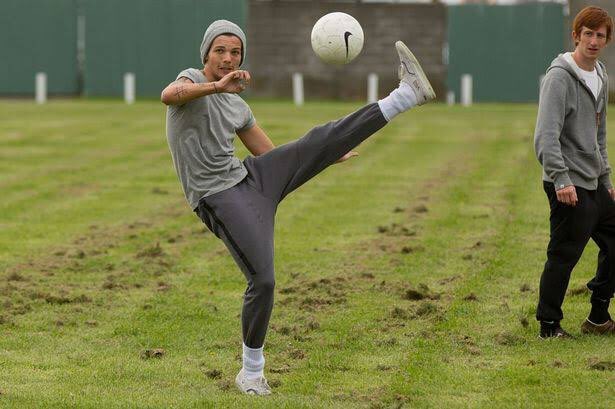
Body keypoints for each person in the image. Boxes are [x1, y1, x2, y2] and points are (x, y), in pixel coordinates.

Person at [161, 20, 435, 394]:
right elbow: (169, 95)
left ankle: (405, 94)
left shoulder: (238, 105)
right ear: (206, 54)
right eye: (220, 51)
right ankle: (252, 372)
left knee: (321, 138)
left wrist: (318, 156)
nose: (228, 58)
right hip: (217, 197)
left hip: (251, 178)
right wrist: (215, 86)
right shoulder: (191, 81)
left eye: (235, 52)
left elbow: (269, 154)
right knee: (263, 280)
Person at [534, 6, 614, 338]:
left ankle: (598, 316)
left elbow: (598, 134)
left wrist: (606, 178)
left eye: (600, 36)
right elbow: (545, 136)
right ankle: (549, 325)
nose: (594, 41)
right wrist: (561, 178)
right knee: (564, 255)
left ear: (607, 40)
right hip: (567, 183)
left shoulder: (601, 74)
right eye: (588, 34)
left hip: (595, 181)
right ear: (576, 36)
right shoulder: (559, 77)